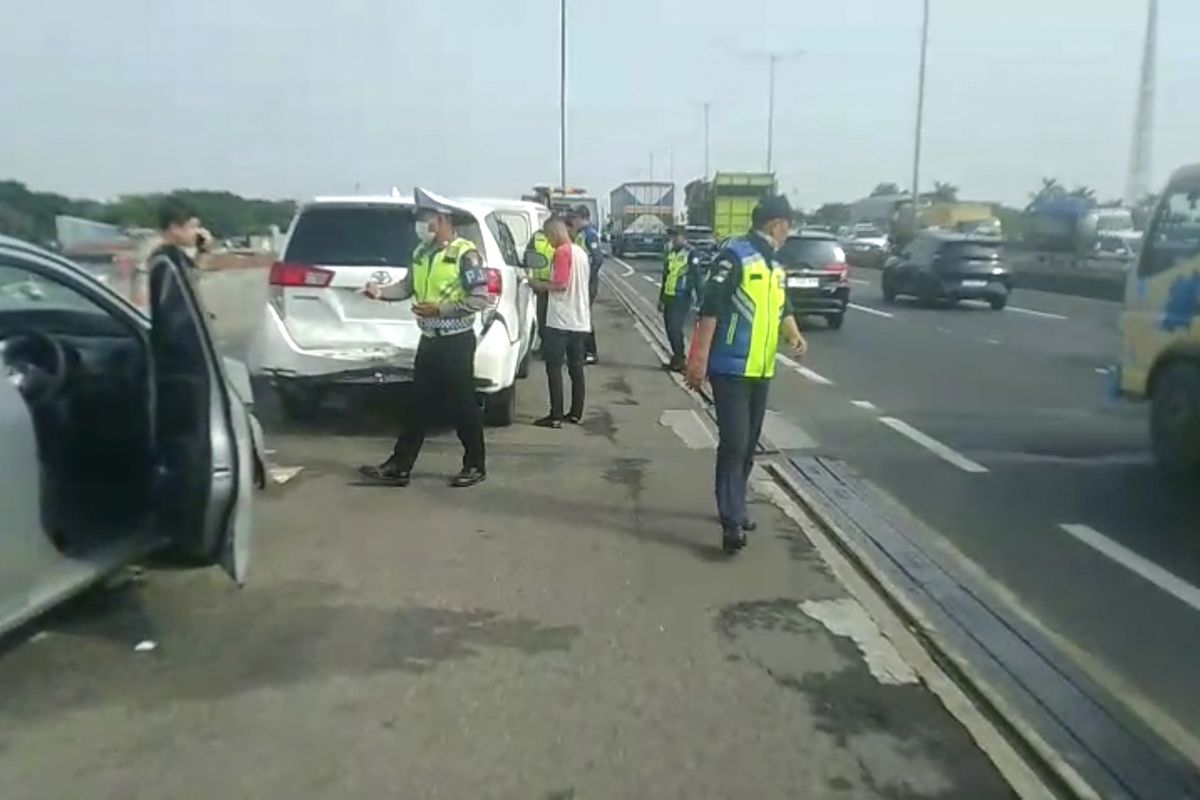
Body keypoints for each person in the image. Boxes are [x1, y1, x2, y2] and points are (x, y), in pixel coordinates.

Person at [685, 195, 807, 554]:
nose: (788, 232)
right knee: (735, 442)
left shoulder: (774, 266)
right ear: (775, 224)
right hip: (730, 368)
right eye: (788, 225)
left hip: (761, 369)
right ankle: (731, 521)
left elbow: (783, 305)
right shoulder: (735, 257)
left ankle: (737, 504)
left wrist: (794, 334)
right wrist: (698, 360)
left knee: (750, 444)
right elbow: (710, 309)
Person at [358, 189, 489, 488]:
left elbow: (480, 298)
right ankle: (399, 466)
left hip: (456, 340)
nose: (422, 224)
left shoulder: (465, 255)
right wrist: (380, 293)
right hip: (429, 339)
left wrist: (440, 309)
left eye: (426, 218)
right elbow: (406, 287)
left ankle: (475, 464)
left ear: (441, 220)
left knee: (462, 406)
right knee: (417, 404)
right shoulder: (421, 253)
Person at [530, 218, 590, 428]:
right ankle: (576, 412)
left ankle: (555, 415)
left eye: (548, 236)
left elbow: (561, 283)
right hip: (580, 320)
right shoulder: (581, 253)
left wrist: (539, 285)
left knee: (554, 367)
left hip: (561, 320)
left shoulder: (562, 252)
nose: (548, 241)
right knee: (576, 368)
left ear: (555, 232)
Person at [658, 226, 703, 372]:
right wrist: (661, 298)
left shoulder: (691, 253)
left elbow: (698, 278)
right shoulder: (670, 253)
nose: (673, 240)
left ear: (684, 237)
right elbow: (666, 276)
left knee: (675, 328)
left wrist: (701, 301)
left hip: (682, 297)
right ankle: (676, 358)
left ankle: (681, 359)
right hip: (669, 296)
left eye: (676, 237)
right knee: (669, 330)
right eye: (671, 237)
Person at [573, 205, 604, 365]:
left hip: (587, 283)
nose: (573, 221)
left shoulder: (590, 235)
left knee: (585, 316)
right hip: (581, 281)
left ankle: (591, 352)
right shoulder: (580, 234)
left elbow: (598, 259)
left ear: (582, 218)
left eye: (575, 218)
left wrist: (587, 278)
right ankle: (583, 350)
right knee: (581, 315)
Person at [523, 226, 557, 347]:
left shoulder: (558, 239)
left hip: (555, 284)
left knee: (554, 319)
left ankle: (552, 346)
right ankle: (545, 344)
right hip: (540, 284)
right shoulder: (537, 237)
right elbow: (527, 256)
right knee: (541, 317)